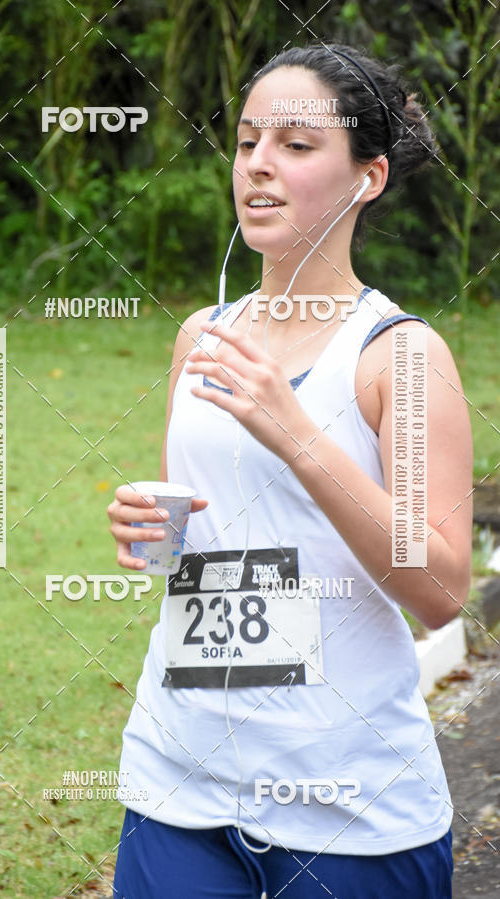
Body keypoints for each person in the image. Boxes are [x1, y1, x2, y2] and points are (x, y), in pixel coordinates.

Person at [106, 41, 472, 899]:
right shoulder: (202, 336)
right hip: (178, 776)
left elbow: (441, 590)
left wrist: (298, 435)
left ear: (367, 177)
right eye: (246, 141)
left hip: (349, 802)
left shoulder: (400, 356)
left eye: (296, 144)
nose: (258, 165)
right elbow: (198, 540)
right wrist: (149, 527)